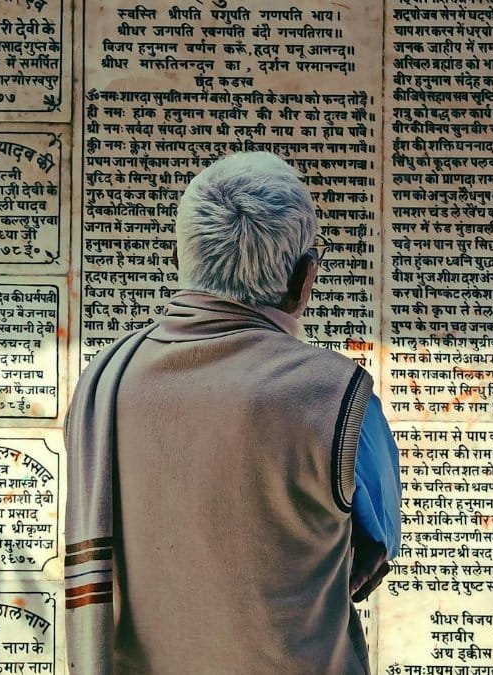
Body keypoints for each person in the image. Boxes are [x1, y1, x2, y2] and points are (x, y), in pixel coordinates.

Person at [63, 152, 400, 674]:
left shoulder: (104, 379)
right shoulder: (339, 395)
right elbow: (372, 553)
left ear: (188, 258)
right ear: (303, 277)